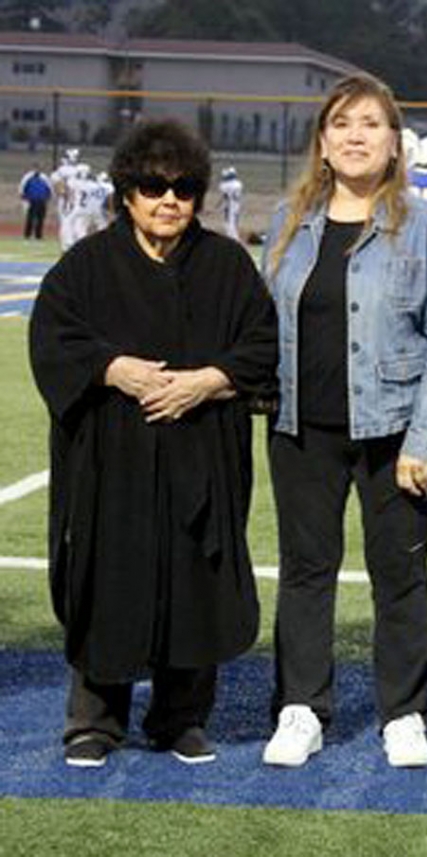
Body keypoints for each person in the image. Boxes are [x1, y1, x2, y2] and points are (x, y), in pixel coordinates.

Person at [28, 119, 279, 768]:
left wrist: (206, 381)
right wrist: (115, 370)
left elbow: (261, 345)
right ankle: (94, 719)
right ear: (126, 192)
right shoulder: (85, 267)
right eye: (152, 185)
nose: (169, 199)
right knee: (105, 576)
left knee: (197, 577)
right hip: (111, 464)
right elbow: (53, 342)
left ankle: (181, 716)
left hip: (201, 456)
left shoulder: (226, 265)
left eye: (184, 187)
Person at [261, 73, 427, 770]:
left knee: (400, 575)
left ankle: (404, 712)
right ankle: (300, 708)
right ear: (322, 141)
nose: (355, 136)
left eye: (371, 123)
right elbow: (265, 327)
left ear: (394, 142)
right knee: (305, 571)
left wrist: (425, 440)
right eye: (342, 123)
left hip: (394, 433)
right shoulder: (288, 225)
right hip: (301, 429)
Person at [19, 164, 52, 239]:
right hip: (31, 201)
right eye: (35, 168)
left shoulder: (44, 177)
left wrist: (48, 197)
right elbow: (22, 187)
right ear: (32, 169)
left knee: (40, 218)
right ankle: (27, 235)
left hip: (41, 201)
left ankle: (38, 235)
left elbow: (49, 188)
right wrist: (24, 198)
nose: (36, 170)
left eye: (38, 168)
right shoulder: (28, 177)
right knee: (30, 218)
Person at [218, 166, 243, 241]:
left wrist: (219, 205)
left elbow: (225, 197)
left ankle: (234, 240)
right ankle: (233, 239)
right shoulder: (238, 184)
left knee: (230, 225)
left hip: (230, 206)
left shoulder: (226, 185)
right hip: (236, 206)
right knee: (233, 224)